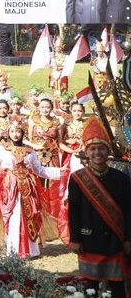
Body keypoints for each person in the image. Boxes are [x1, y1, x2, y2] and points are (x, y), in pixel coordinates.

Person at [0, 120, 64, 258]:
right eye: (12, 131)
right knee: (14, 216)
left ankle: (31, 250)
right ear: (8, 133)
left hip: (28, 188)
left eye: (18, 131)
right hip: (10, 188)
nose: (15, 134)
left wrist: (60, 172)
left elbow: (39, 170)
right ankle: (15, 251)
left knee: (30, 215)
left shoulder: (29, 151)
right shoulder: (3, 149)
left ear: (23, 133)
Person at [67, 116, 131, 297]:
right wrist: (75, 239)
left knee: (117, 288)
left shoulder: (121, 179)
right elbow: (74, 210)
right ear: (86, 153)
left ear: (108, 151)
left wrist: (128, 239)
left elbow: (128, 210)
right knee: (89, 288)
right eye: (92, 149)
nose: (97, 153)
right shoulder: (78, 178)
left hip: (115, 241)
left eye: (101, 149)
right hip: (89, 241)